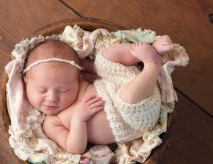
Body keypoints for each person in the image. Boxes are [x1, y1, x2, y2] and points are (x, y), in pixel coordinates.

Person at [23, 36, 173, 154]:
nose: (52, 98)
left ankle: (149, 50)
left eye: (63, 90)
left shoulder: (78, 81)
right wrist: (78, 119)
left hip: (122, 85)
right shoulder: (51, 122)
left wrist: (94, 67)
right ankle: (152, 65)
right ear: (26, 81)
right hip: (133, 118)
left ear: (78, 78)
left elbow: (97, 76)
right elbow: (74, 148)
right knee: (126, 98)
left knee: (104, 58)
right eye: (41, 90)